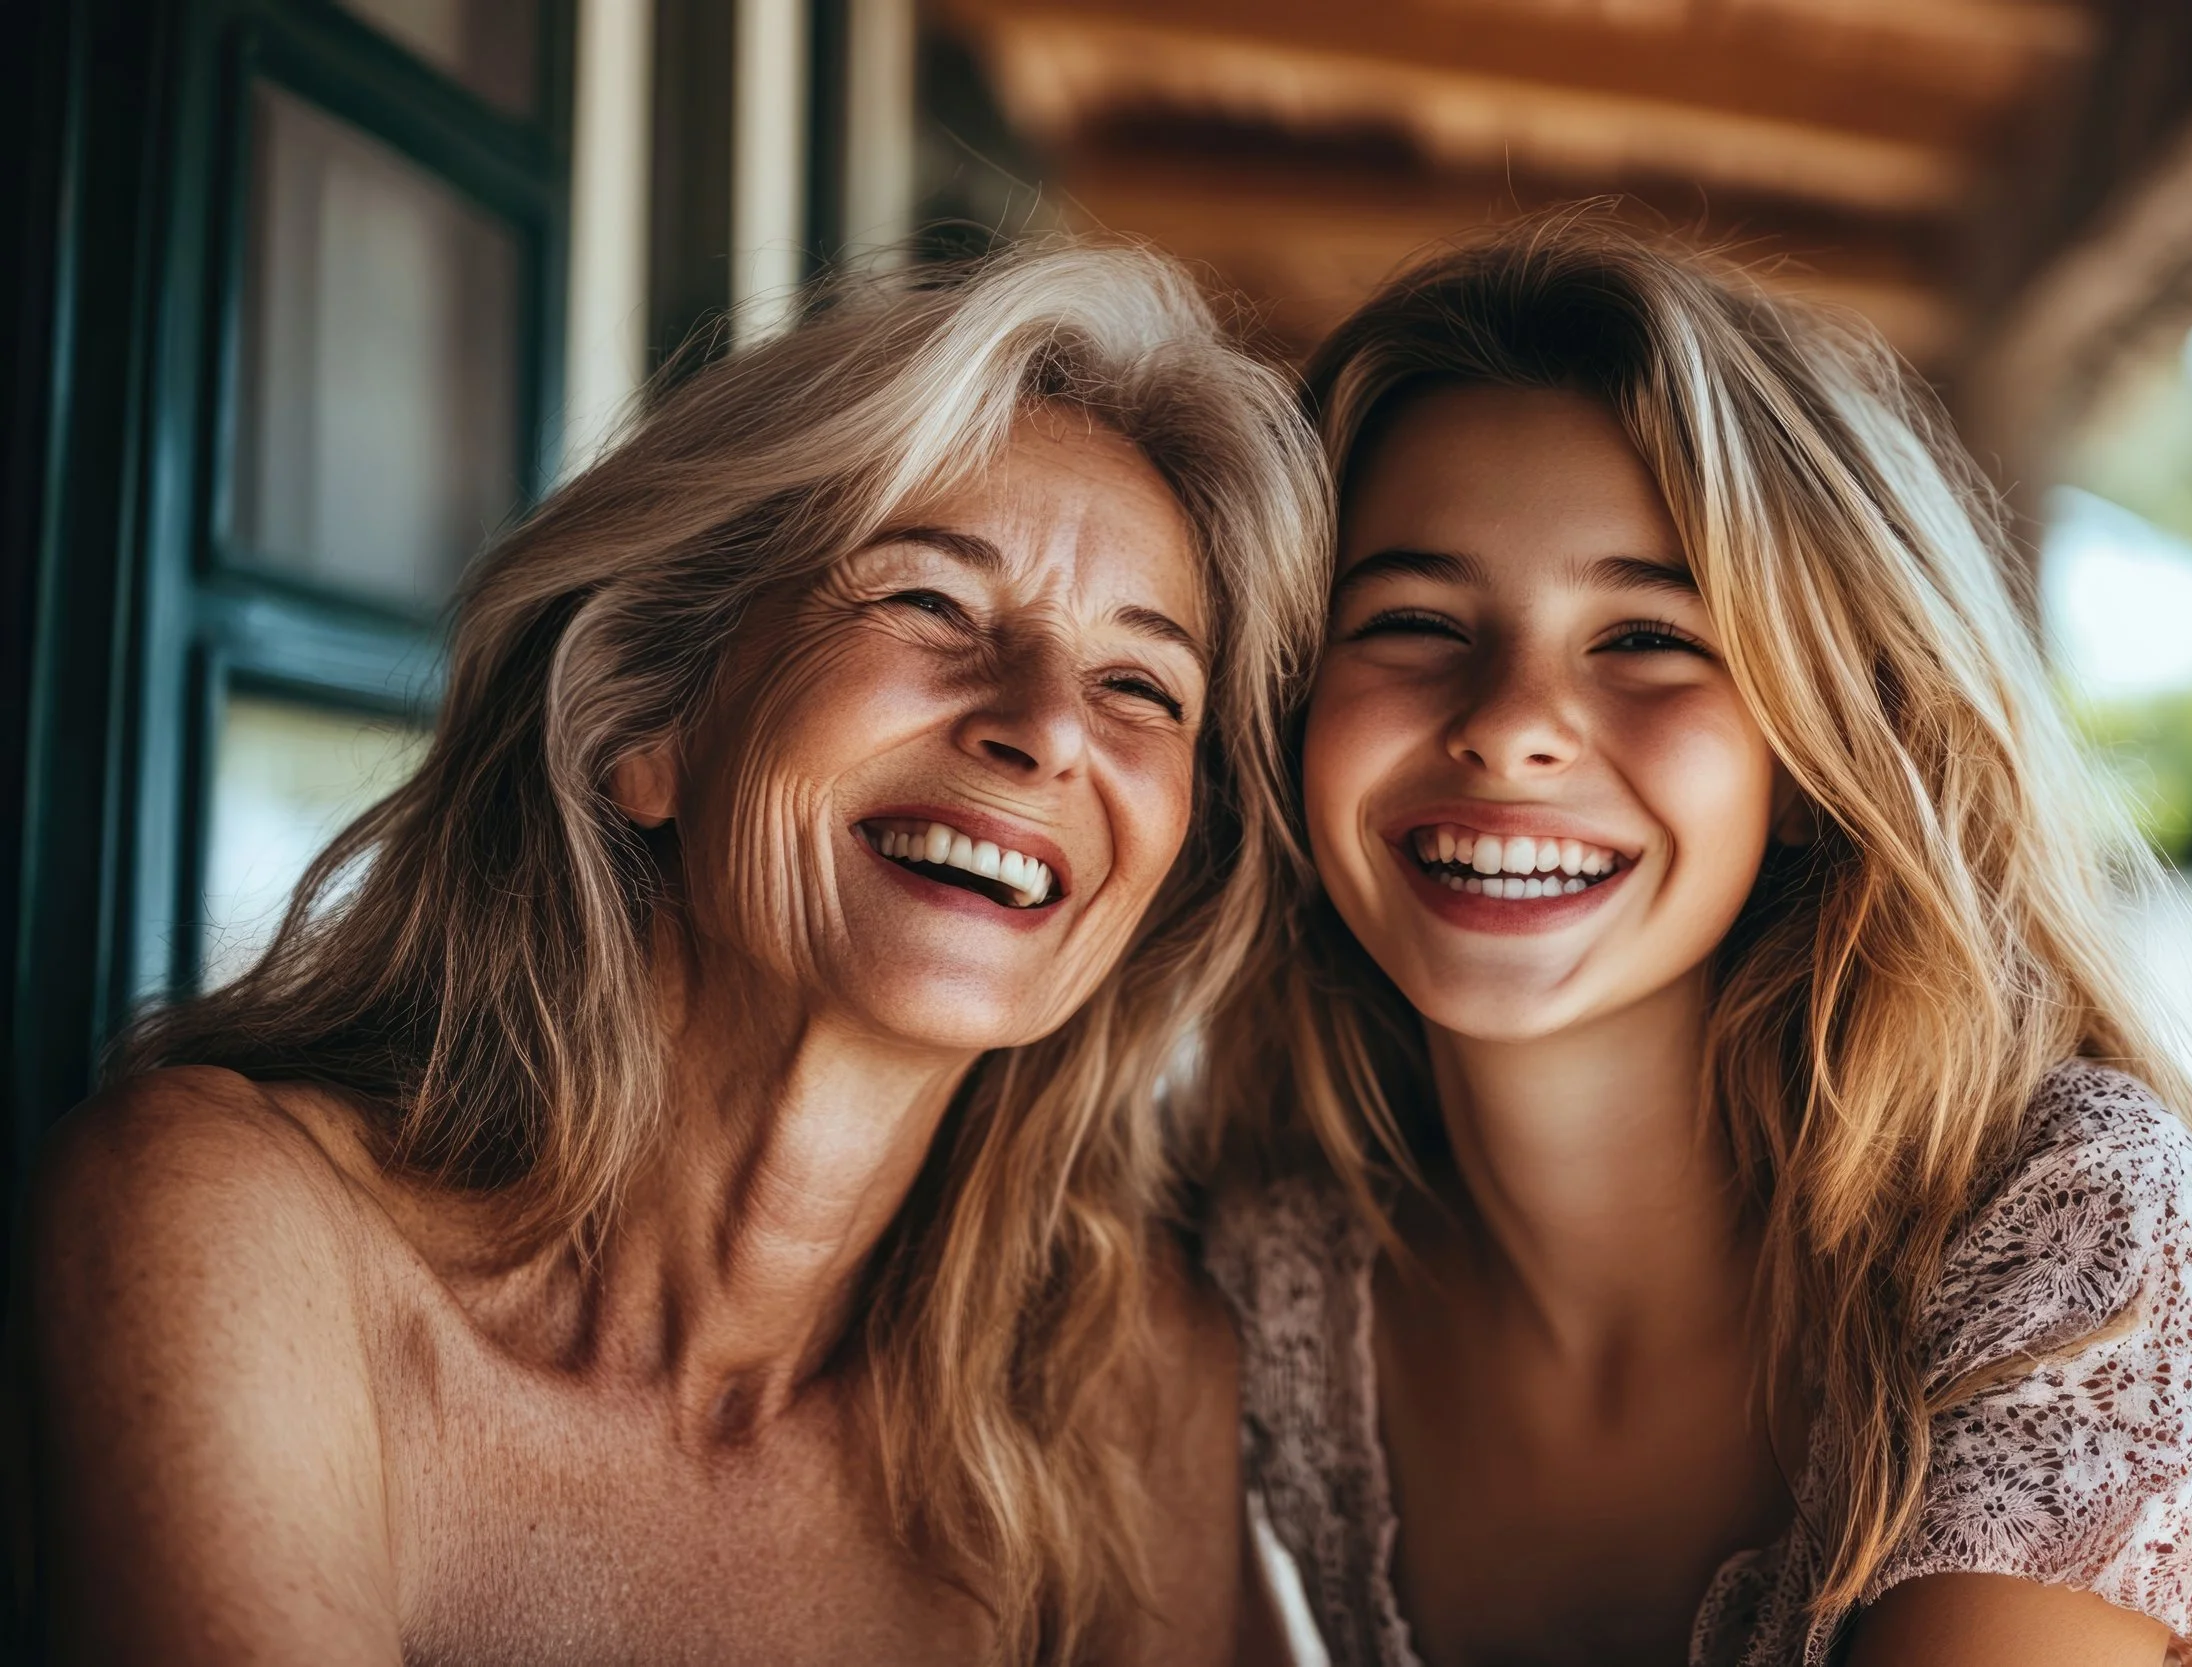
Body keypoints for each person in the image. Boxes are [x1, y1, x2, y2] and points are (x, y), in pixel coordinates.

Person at [14, 241, 1328, 1666]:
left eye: (1143, 683)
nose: (1051, 726)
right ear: (652, 722)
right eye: (930, 602)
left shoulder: (1126, 1387)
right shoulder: (238, 1227)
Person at [1200, 214, 2192, 1667]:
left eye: (1647, 636)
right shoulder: (1274, 1266)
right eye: (1408, 617)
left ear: (1811, 748)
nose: (1513, 721)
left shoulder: (2062, 1215)